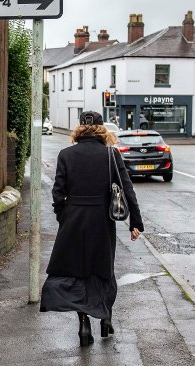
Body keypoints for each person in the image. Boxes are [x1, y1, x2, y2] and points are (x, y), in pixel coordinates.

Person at [40, 110, 144, 346]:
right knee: (102, 270)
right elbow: (126, 190)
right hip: (101, 221)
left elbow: (58, 193)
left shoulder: (66, 154)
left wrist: (63, 216)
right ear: (101, 130)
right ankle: (105, 317)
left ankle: (84, 325)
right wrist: (135, 223)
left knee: (78, 272)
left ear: (79, 129)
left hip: (73, 220)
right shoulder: (111, 155)